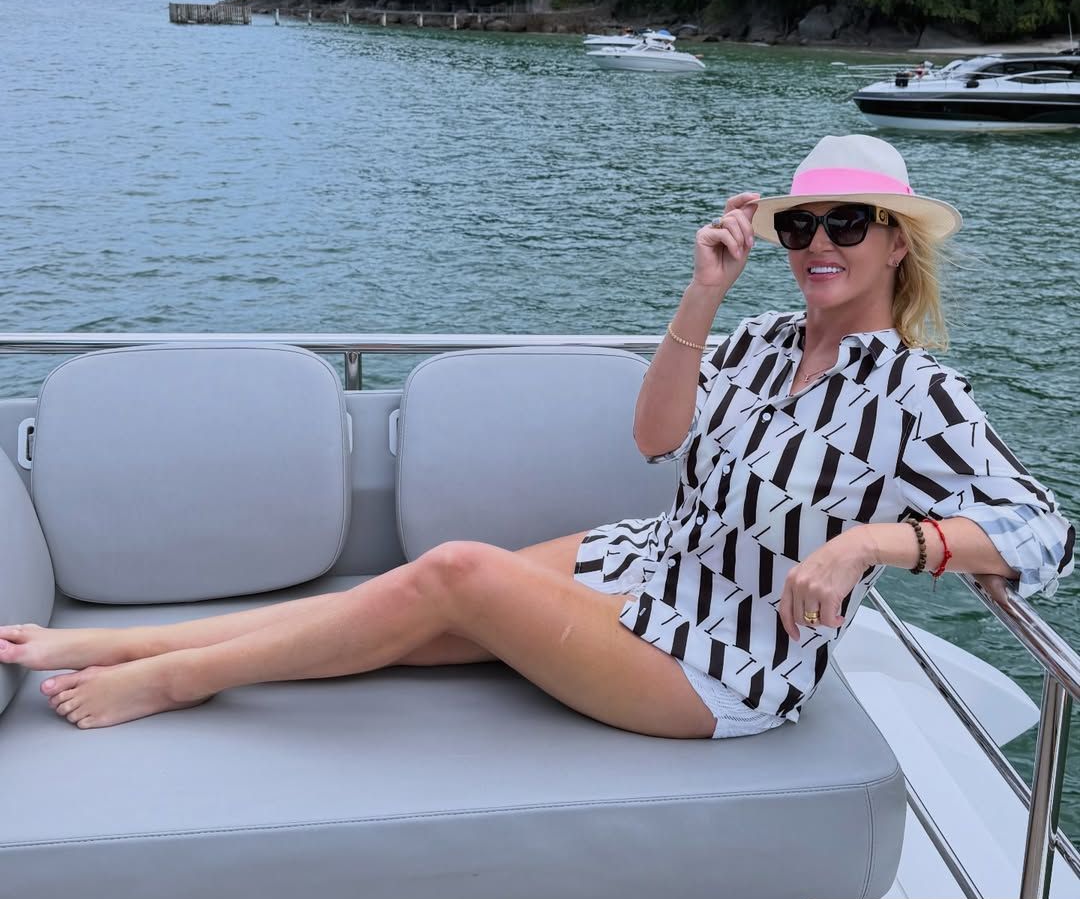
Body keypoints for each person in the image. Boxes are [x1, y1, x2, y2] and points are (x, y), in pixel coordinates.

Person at [0, 134, 1073, 736]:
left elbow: (1042, 530)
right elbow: (656, 437)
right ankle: (120, 643)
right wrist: (705, 290)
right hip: (650, 564)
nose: (816, 244)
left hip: (731, 661)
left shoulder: (918, 394)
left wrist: (870, 543)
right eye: (800, 224)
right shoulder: (759, 339)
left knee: (455, 572)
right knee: (412, 603)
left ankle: (171, 680)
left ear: (895, 243)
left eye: (845, 224)